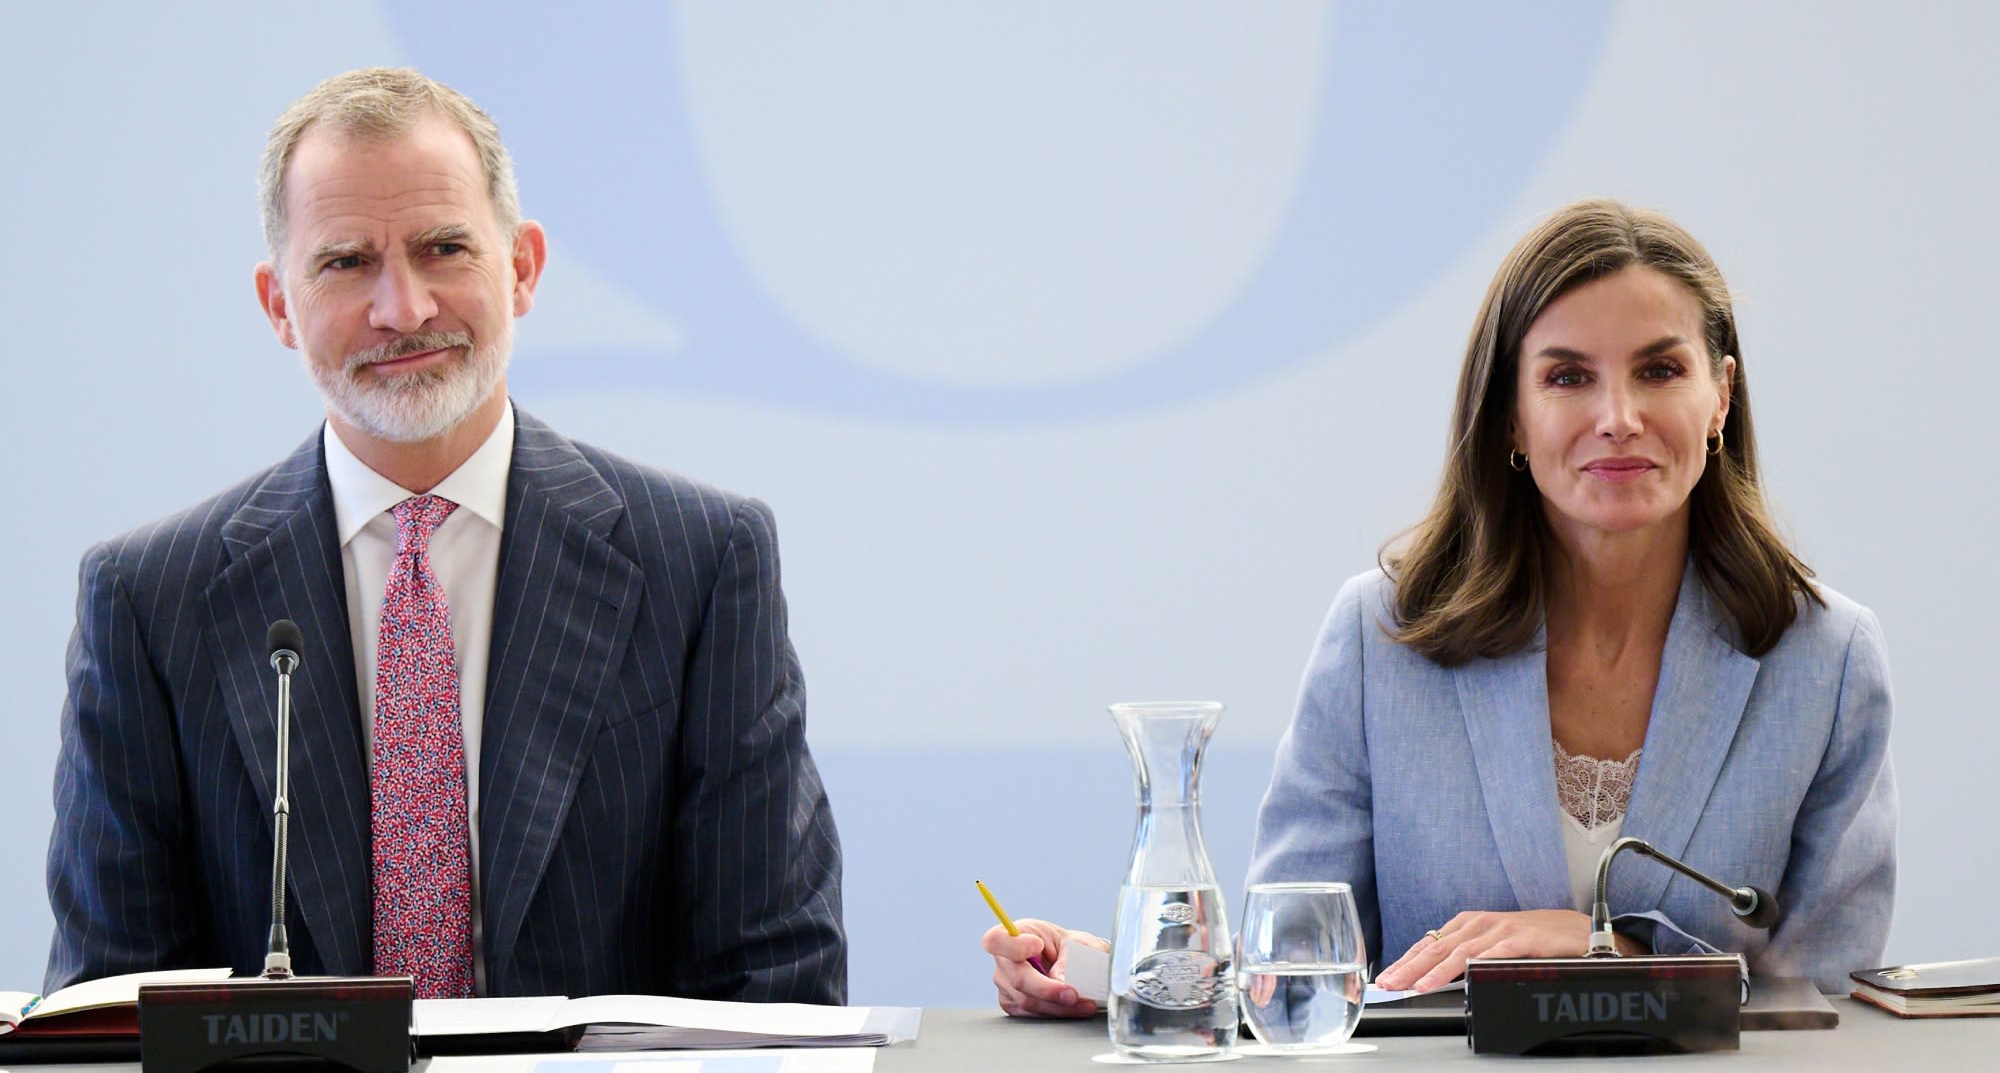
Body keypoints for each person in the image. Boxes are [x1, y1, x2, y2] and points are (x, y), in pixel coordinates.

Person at [46, 68, 846, 1004]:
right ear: (277, 305)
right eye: (347, 262)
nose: (405, 308)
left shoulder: (705, 562)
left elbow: (777, 980)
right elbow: (108, 1011)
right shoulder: (148, 599)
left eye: (443, 248)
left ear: (522, 269)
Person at [985, 200, 1895, 1011]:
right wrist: (1122, 975)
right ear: (1509, 415)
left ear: (1720, 397)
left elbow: (1834, 998)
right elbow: (1295, 966)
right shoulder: (1381, 637)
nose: (1617, 415)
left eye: (1660, 370)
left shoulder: (1827, 657)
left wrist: (1605, 953)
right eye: (1567, 377)